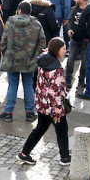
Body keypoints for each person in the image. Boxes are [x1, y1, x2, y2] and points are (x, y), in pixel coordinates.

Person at [17, 37, 70, 166]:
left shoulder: (44, 61)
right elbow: (55, 92)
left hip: (42, 103)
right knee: (62, 129)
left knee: (40, 128)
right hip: (52, 106)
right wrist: (57, 111)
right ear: (56, 51)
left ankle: (24, 153)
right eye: (63, 49)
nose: (65, 51)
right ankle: (65, 158)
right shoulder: (56, 69)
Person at [0, 1, 46, 122]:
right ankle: (30, 112)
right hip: (29, 61)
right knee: (28, 85)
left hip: (12, 59)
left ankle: (8, 112)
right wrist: (34, 55)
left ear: (19, 10)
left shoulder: (10, 22)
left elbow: (3, 41)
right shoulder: (36, 24)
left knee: (12, 85)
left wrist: (6, 54)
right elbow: (42, 43)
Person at [65, 0, 89, 90]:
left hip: (85, 41)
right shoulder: (74, 9)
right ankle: (68, 79)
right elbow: (70, 21)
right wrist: (69, 29)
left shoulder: (88, 10)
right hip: (74, 39)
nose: (74, 0)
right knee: (70, 59)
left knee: (84, 62)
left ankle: (81, 79)